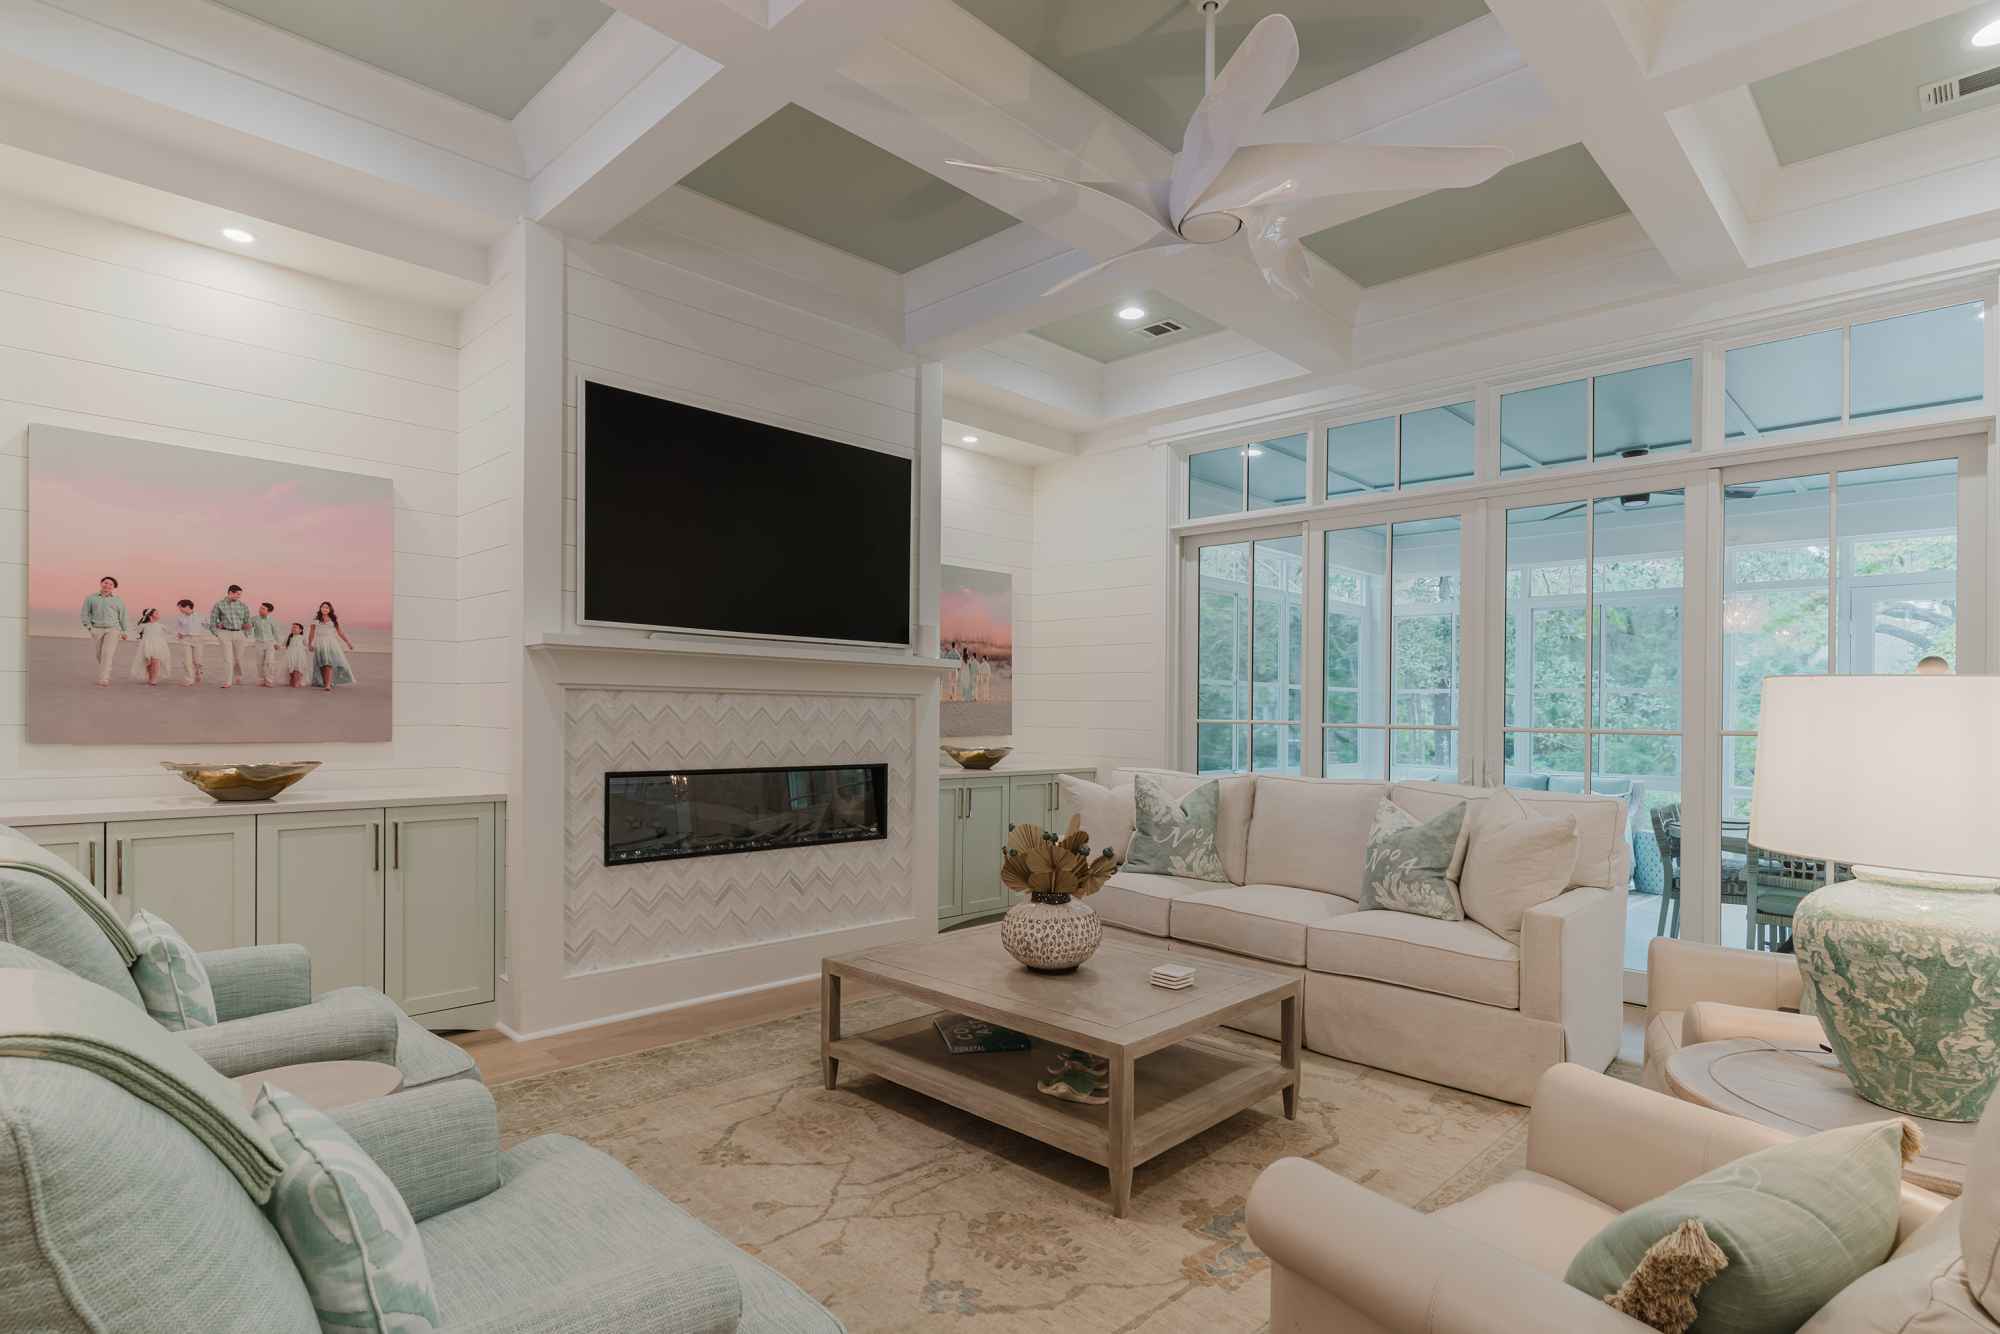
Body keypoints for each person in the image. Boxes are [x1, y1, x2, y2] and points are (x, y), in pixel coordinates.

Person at [79, 575, 128, 687]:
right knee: (99, 654)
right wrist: (89, 627)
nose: (107, 585)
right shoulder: (91, 598)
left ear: (113, 587)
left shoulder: (118, 600)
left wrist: (124, 631)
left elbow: (123, 617)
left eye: (110, 584)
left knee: (107, 653)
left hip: (113, 629)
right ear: (101, 583)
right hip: (97, 629)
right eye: (106, 583)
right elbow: (85, 613)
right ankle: (106, 669)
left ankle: (104, 678)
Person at [205, 584, 254, 689]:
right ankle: (228, 681)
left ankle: (238, 676)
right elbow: (213, 621)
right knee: (227, 659)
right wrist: (217, 633)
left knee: (238, 658)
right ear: (230, 593)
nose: (239, 596)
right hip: (225, 634)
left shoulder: (243, 605)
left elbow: (247, 620)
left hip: (240, 634)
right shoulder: (219, 605)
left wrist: (246, 633)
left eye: (240, 595)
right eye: (237, 594)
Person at [308, 601, 356, 691]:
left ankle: (328, 685)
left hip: (331, 643)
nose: (325, 609)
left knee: (328, 663)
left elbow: (340, 632)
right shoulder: (315, 620)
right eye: (323, 607)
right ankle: (325, 682)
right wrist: (310, 644)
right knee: (322, 664)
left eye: (327, 607)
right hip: (320, 643)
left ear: (330, 610)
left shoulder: (333, 620)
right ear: (320, 609)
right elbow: (311, 633)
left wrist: (348, 643)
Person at [127, 608, 169, 686]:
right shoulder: (144, 625)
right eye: (156, 613)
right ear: (150, 616)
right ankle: (150, 677)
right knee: (148, 662)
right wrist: (144, 619)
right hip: (146, 644)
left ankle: (154, 679)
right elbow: (137, 630)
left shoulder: (160, 625)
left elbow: (170, 632)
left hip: (158, 644)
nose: (158, 615)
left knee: (155, 661)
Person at [170, 599, 204, 687]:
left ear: (188, 606)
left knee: (198, 660)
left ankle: (198, 672)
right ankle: (189, 679)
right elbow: (177, 628)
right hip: (185, 639)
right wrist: (178, 633)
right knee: (187, 661)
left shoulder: (200, 616)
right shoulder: (180, 617)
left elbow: (208, 625)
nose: (179, 609)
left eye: (181, 607)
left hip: (197, 639)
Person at [249, 601, 283, 687]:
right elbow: (248, 628)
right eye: (260, 608)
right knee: (259, 662)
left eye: (263, 609)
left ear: (269, 611)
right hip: (258, 643)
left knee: (269, 662)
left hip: (270, 643)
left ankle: (269, 680)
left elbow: (276, 633)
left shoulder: (272, 621)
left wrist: (278, 643)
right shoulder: (254, 619)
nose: (260, 610)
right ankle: (261, 679)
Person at [283, 622, 310, 688]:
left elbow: (307, 645)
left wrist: (308, 649)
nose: (293, 629)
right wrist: (277, 647)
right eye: (292, 627)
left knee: (297, 668)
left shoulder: (302, 637)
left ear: (300, 630)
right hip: (290, 655)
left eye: (295, 627)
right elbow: (284, 645)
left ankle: (297, 681)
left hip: (299, 655)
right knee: (291, 669)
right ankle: (292, 680)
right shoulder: (289, 638)